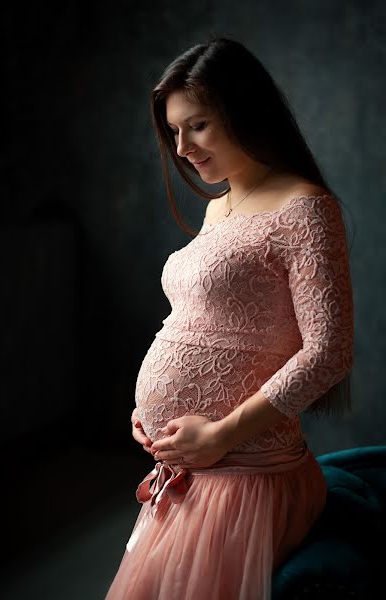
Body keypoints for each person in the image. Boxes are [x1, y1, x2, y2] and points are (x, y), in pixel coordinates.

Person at [104, 35, 354, 600]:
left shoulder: (306, 208)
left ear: (245, 112)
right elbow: (201, 322)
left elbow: (329, 351)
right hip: (194, 471)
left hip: (245, 476)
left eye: (197, 125)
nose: (182, 146)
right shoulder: (219, 205)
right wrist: (154, 415)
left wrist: (220, 434)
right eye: (173, 131)